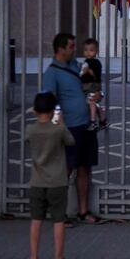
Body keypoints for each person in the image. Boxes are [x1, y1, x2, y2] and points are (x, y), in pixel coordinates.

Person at [43, 33, 100, 223]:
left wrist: (95, 93)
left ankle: (83, 211)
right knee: (65, 170)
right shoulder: (52, 73)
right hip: (69, 128)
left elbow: (89, 86)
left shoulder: (76, 66)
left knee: (85, 168)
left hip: (86, 126)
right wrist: (59, 127)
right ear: (60, 49)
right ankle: (59, 213)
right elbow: (50, 102)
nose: (74, 50)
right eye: (71, 47)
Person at [20, 92, 76, 259]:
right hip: (57, 182)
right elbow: (70, 141)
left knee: (36, 220)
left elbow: (28, 140)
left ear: (35, 110)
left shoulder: (30, 130)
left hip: (37, 181)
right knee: (58, 220)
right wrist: (61, 123)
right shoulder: (58, 130)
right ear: (53, 111)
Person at [80, 38, 106, 131]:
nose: (88, 52)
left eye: (91, 50)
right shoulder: (86, 62)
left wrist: (88, 72)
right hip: (88, 85)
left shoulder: (95, 62)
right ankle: (102, 119)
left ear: (96, 52)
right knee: (93, 103)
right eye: (85, 50)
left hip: (93, 85)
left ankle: (93, 122)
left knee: (91, 101)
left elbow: (94, 74)